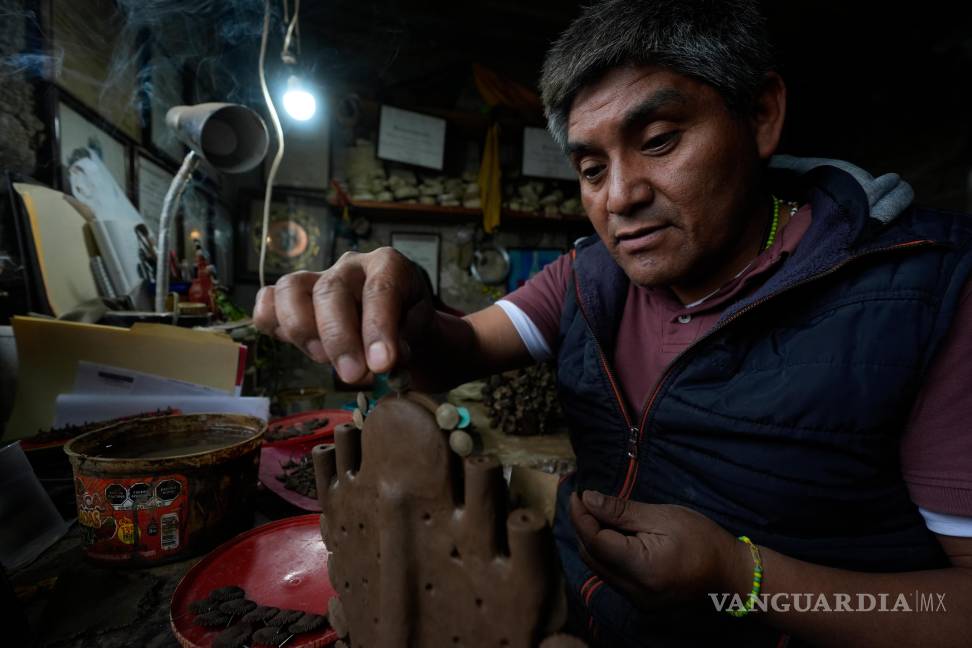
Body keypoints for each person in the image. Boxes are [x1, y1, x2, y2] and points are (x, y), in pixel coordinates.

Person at [254, 0, 972, 644]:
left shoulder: (925, 293)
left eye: (659, 140)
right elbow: (458, 348)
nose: (620, 197)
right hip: (577, 612)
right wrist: (407, 308)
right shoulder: (591, 276)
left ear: (760, 117)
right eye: (592, 168)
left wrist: (740, 574)